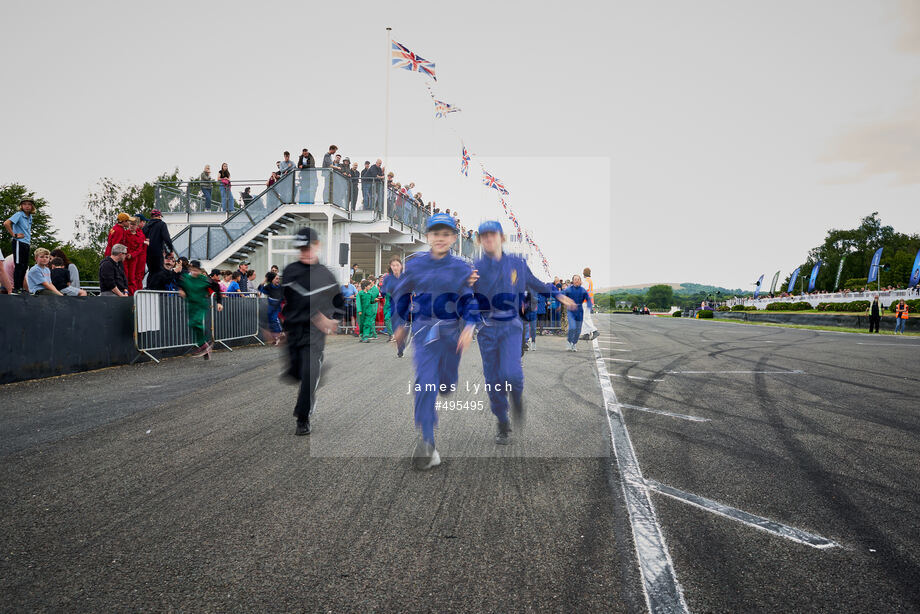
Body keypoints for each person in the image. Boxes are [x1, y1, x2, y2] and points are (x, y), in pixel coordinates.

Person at [471, 221, 573, 443]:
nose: (489, 239)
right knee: (493, 379)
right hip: (487, 329)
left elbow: (536, 283)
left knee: (512, 373)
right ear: (480, 240)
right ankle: (502, 421)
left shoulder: (518, 263)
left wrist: (558, 295)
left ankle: (516, 396)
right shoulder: (475, 267)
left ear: (501, 238)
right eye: (484, 236)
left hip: (511, 326)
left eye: (493, 235)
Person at [391, 213, 479, 470]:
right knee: (425, 382)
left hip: (452, 333)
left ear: (453, 238)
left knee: (447, 381)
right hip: (423, 331)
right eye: (435, 234)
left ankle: (447, 379)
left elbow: (468, 298)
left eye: (446, 235)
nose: (440, 239)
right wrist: (400, 326)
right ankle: (427, 443)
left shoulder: (462, 268)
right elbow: (401, 294)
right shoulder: (416, 265)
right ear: (427, 236)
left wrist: (469, 326)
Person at [281, 227, 344, 436]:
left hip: (314, 335)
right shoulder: (290, 271)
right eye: (301, 248)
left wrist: (332, 320)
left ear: (317, 246)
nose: (306, 252)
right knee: (296, 375)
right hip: (293, 332)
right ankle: (315, 376)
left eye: (309, 247)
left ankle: (303, 417)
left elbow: (340, 303)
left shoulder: (326, 275)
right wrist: (271, 326)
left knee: (308, 375)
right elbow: (279, 300)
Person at [178, 259, 223, 359]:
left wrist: (219, 302)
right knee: (193, 325)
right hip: (190, 305)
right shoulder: (185, 277)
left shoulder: (204, 279)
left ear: (200, 270)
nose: (194, 272)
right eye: (193, 270)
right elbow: (180, 284)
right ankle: (204, 347)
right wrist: (181, 290)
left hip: (200, 304)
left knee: (195, 323)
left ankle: (204, 344)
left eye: (197, 270)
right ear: (190, 269)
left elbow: (216, 287)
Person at [5, 197, 35, 294]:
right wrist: (14, 234)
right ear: (21, 206)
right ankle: (16, 288)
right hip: (19, 242)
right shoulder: (19, 214)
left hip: (26, 243)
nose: (27, 206)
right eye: (25, 204)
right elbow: (6, 223)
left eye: (29, 204)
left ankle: (21, 288)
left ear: (32, 206)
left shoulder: (30, 217)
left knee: (24, 266)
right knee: (18, 265)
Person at [380, 254, 404, 353]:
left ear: (401, 266)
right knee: (395, 325)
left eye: (397, 265)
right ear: (390, 266)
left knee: (401, 326)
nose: (395, 267)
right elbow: (383, 291)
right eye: (393, 265)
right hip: (392, 305)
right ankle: (399, 345)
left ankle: (401, 343)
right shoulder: (387, 278)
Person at [563, 275, 592, 351]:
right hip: (571, 311)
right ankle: (569, 342)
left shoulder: (583, 290)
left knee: (578, 330)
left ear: (580, 281)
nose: (576, 281)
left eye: (578, 279)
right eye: (575, 279)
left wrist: (589, 306)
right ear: (573, 281)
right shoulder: (568, 290)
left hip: (579, 311)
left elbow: (588, 299)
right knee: (572, 327)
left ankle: (574, 344)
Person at [144, 209, 175, 279]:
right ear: (159, 216)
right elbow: (166, 238)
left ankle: (149, 288)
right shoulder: (162, 224)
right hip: (157, 253)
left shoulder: (146, 226)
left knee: (151, 272)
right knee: (159, 272)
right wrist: (171, 250)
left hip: (147, 253)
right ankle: (157, 289)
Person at [123, 217, 147, 295]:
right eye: (130, 224)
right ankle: (127, 293)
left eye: (133, 225)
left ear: (137, 226)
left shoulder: (140, 235)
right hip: (125, 259)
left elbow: (140, 249)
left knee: (134, 278)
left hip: (134, 259)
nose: (131, 226)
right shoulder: (125, 233)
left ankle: (135, 295)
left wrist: (132, 255)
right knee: (126, 276)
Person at [580, 267, 599, 340]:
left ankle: (594, 331)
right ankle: (586, 334)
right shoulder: (589, 280)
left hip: (585, 302)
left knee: (585, 318)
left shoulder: (586, 281)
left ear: (584, 273)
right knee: (586, 317)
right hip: (588, 302)